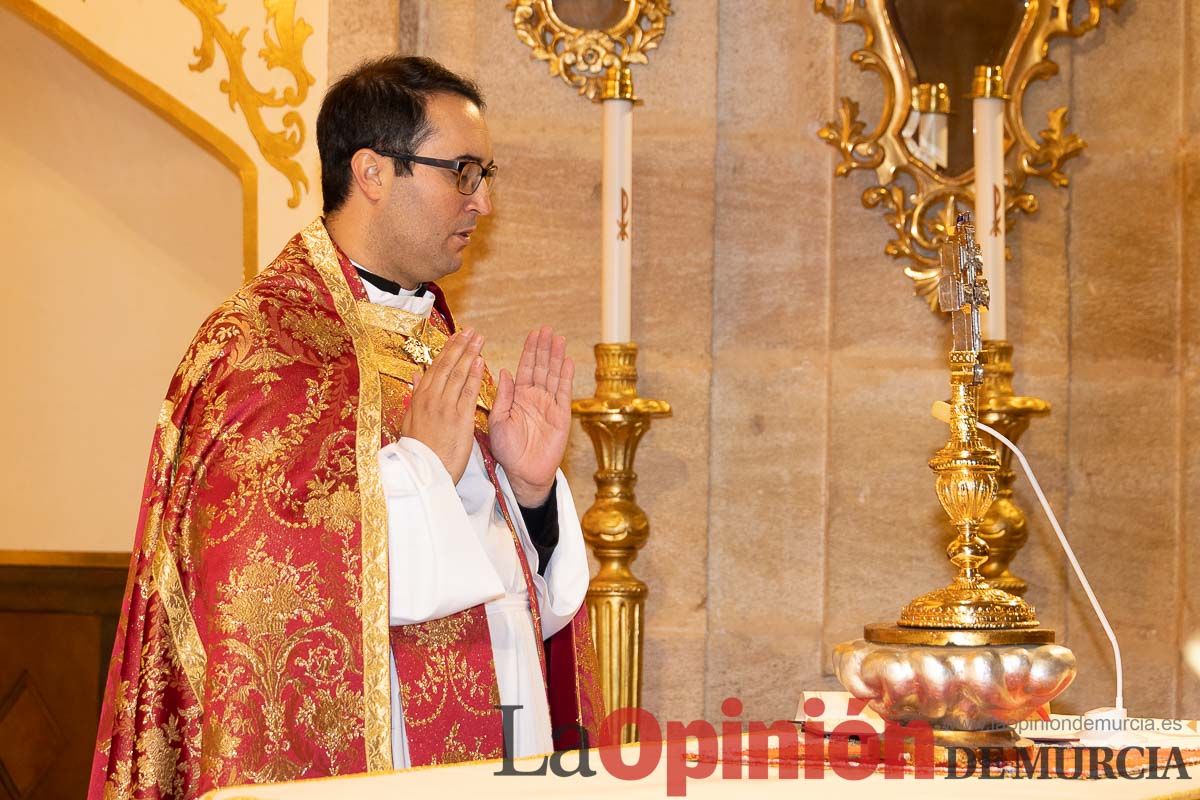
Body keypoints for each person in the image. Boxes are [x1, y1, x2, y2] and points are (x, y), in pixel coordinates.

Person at [89, 56, 603, 799]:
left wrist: (530, 499)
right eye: (462, 171)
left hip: (500, 745)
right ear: (372, 171)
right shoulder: (260, 346)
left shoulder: (437, 341)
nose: (482, 202)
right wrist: (423, 466)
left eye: (485, 172)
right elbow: (259, 588)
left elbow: (512, 589)